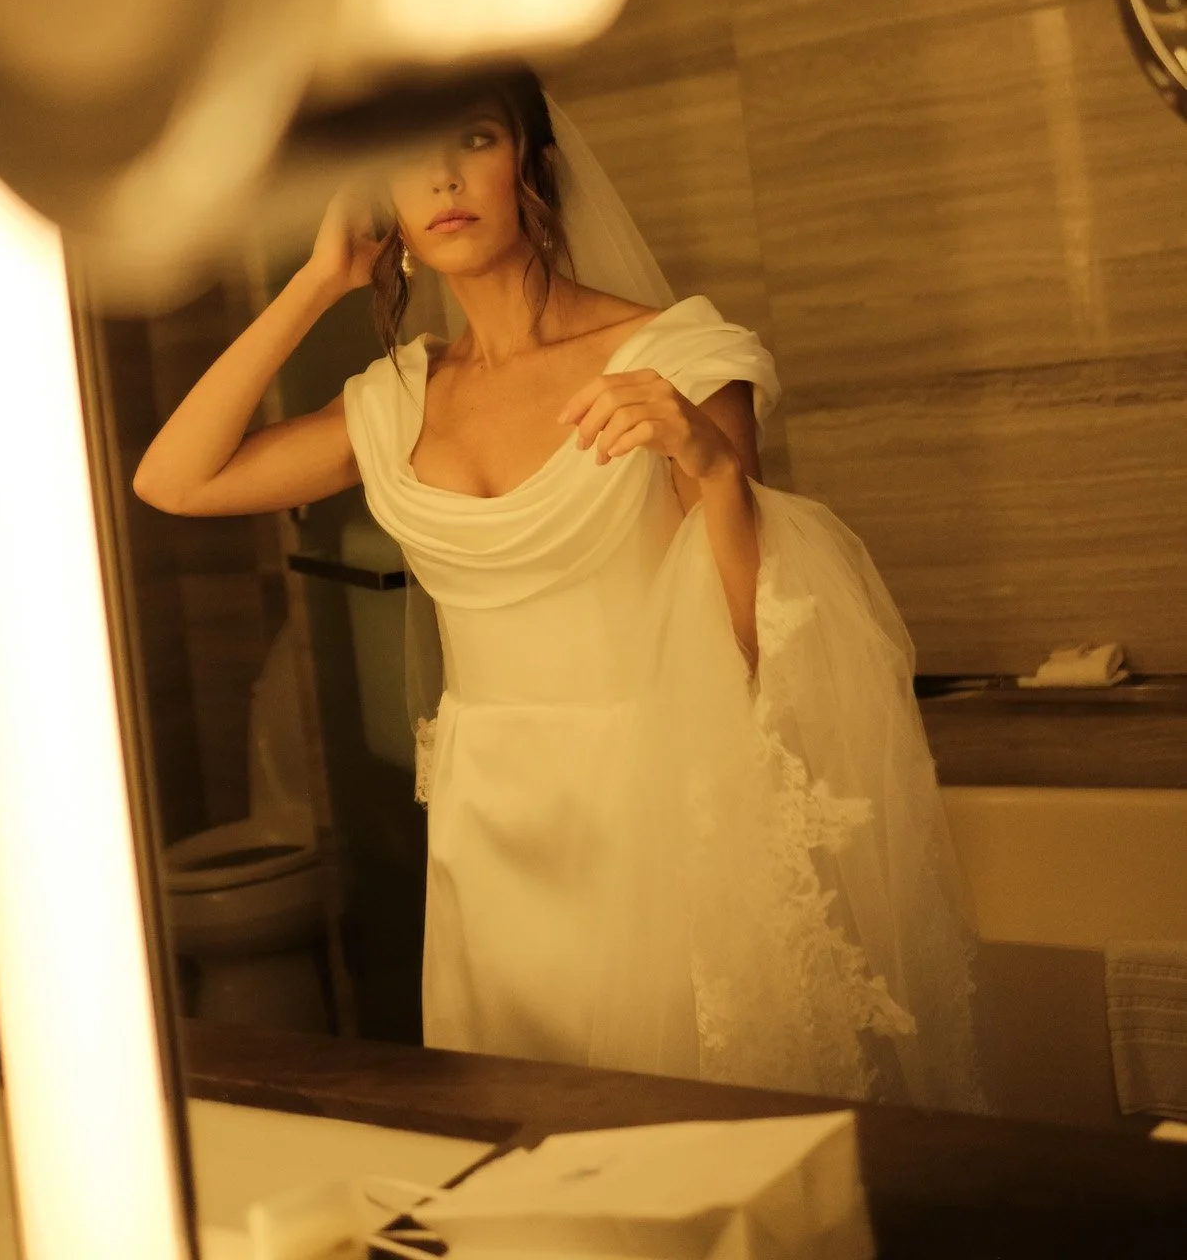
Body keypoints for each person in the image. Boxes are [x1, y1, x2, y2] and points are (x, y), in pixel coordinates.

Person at [134, 66, 983, 1110]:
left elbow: (758, 643)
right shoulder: (396, 398)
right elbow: (173, 480)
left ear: (534, 164)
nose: (442, 177)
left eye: (473, 139)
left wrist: (712, 468)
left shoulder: (673, 358)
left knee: (675, 1126)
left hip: (654, 808)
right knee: (523, 1132)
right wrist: (316, 282)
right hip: (489, 832)